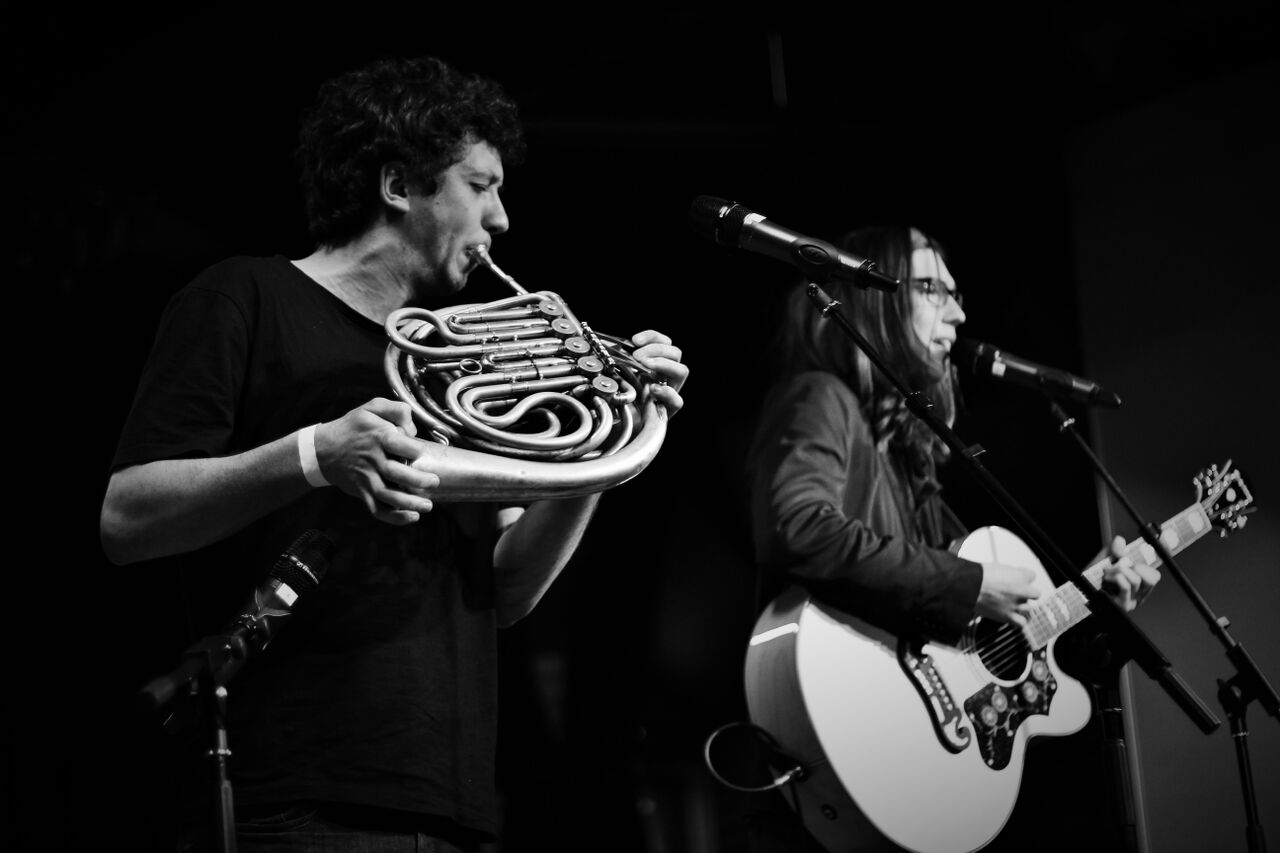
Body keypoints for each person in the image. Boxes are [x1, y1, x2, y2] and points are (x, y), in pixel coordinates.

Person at [99, 55, 687, 852]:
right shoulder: (243, 297)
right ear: (399, 185)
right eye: (481, 185)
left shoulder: (461, 366)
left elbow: (506, 591)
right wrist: (315, 452)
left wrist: (609, 438)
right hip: (293, 797)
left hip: (450, 803)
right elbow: (128, 517)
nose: (502, 219)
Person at [743, 225, 1158, 851]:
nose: (959, 314)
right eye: (933, 289)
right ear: (875, 298)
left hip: (907, 760)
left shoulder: (908, 461)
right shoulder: (820, 397)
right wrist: (971, 583)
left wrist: (1099, 605)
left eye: (955, 294)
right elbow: (796, 528)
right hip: (835, 732)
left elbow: (992, 647)